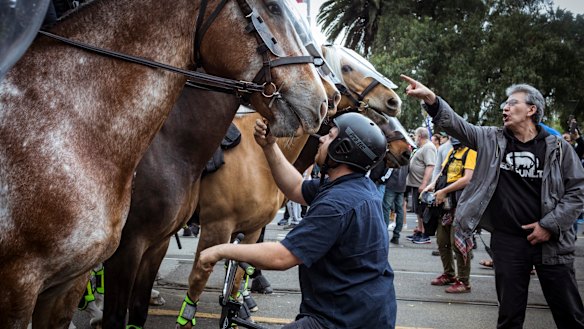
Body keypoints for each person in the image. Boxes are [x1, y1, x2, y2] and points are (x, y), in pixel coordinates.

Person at [401, 74, 584, 329]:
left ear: (531, 109)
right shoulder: (491, 139)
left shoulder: (559, 148)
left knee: (570, 316)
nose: (505, 108)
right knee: (509, 317)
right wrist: (432, 100)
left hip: (551, 242)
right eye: (504, 105)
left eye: (512, 103)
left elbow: (577, 191)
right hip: (508, 242)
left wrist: (549, 225)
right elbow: (456, 125)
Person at [199, 112, 397, 328]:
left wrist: (221, 250)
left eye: (330, 136)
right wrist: (269, 146)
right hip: (366, 312)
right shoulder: (355, 187)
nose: (321, 139)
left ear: (343, 149)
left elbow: (282, 257)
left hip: (341, 319)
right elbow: (295, 188)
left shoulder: (337, 204)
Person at [423, 138, 477, 293]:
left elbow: (468, 179)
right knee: (442, 241)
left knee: (459, 244)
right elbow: (442, 172)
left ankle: (464, 281)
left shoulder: (471, 152)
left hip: (461, 204)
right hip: (445, 204)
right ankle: (449, 274)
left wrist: (445, 191)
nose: (451, 137)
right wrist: (432, 186)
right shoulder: (453, 152)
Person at [405, 127, 436, 244]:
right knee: (418, 210)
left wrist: (424, 184)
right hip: (415, 183)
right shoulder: (422, 147)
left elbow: (430, 166)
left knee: (423, 210)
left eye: (415, 136)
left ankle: (425, 233)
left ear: (420, 136)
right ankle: (419, 230)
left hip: (422, 185)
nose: (414, 138)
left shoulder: (428, 148)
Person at [383, 164, 408, 244]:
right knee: (400, 209)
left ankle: (384, 233)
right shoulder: (406, 156)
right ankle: (396, 235)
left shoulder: (394, 154)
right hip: (402, 185)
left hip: (391, 184)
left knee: (386, 208)